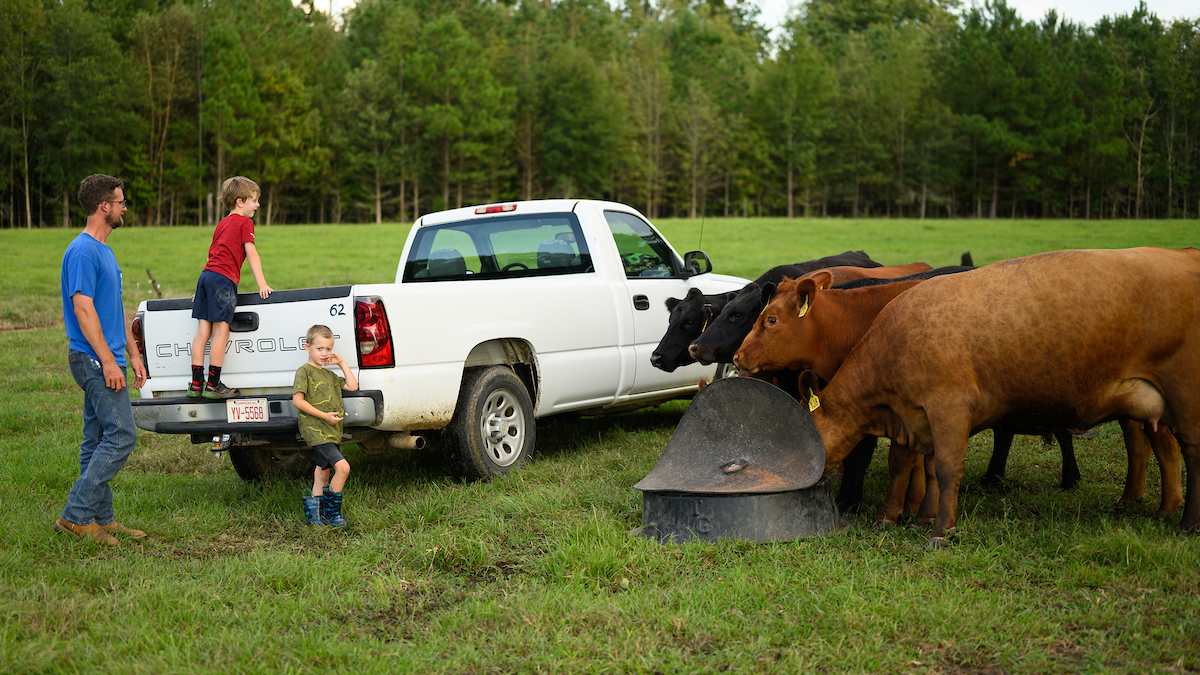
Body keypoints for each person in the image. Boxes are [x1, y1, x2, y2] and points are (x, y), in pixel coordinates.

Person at [56, 174, 149, 546]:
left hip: (108, 357)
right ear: (103, 206)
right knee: (122, 435)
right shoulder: (82, 251)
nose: (125, 207)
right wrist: (108, 361)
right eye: (121, 201)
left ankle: (101, 518)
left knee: (95, 439)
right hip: (93, 359)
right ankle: (76, 516)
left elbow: (114, 308)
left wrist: (132, 353)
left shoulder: (104, 250)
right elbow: (83, 309)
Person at [186, 176, 273, 399]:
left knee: (201, 332)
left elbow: (213, 254)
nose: (258, 205)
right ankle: (213, 384)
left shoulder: (222, 223)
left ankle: (196, 383)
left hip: (206, 276)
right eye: (254, 200)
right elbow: (251, 254)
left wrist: (202, 287)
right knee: (220, 331)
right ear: (240, 201)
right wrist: (262, 283)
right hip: (223, 279)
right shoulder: (245, 223)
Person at [293, 325, 359, 527]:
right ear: (307, 347)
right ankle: (333, 515)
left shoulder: (330, 376)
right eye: (319, 348)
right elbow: (298, 401)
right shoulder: (304, 372)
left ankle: (314, 517)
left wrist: (341, 362)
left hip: (332, 431)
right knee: (343, 468)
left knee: (322, 473)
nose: (324, 353)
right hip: (316, 429)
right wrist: (324, 416)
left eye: (328, 349)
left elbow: (352, 386)